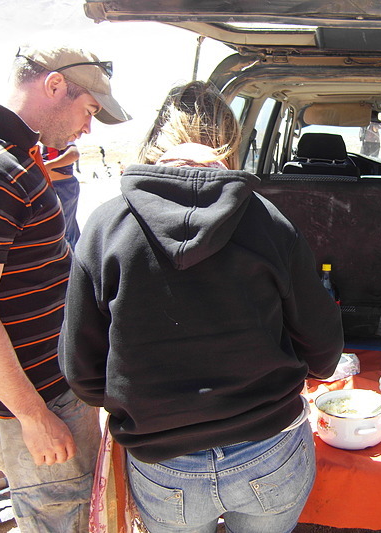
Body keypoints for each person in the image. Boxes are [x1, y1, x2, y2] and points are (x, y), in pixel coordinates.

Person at [59, 80, 344, 533]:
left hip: (163, 464)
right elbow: (324, 350)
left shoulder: (105, 227)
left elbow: (83, 371)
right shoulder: (269, 223)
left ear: (156, 143)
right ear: (230, 145)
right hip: (268, 450)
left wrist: (147, 407)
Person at [0, 44, 131, 532]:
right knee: (61, 515)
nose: (87, 127)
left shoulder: (5, 153)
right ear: (54, 85)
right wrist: (34, 417)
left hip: (48, 385)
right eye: (89, 111)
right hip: (31, 399)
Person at [42, 142, 82, 248]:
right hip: (54, 185)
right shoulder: (42, 138)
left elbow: (74, 154)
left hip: (64, 186)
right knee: (68, 224)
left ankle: (71, 259)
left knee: (64, 227)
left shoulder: (60, 136)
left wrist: (49, 165)